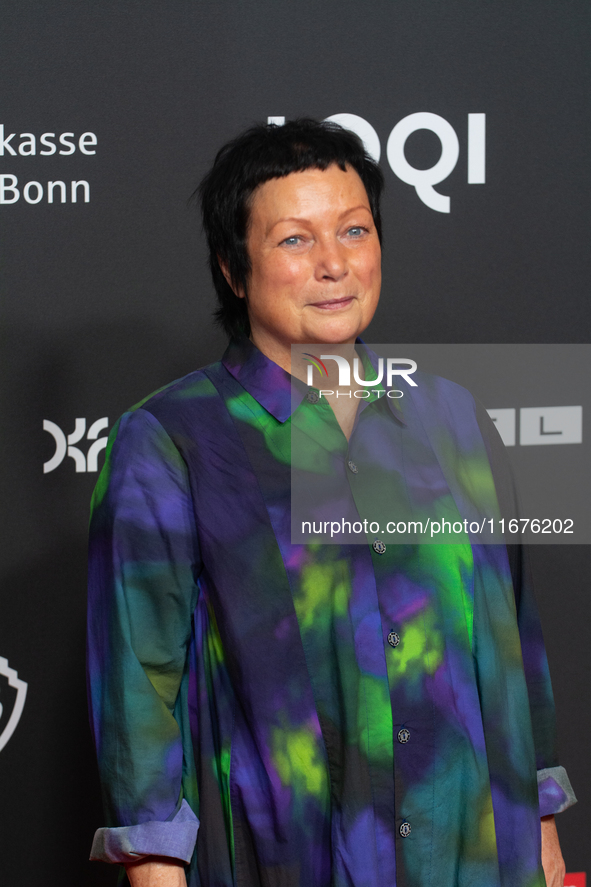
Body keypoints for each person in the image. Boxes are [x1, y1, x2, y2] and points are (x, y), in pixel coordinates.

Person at [87, 119, 576, 887]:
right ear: (232, 268)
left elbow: (515, 642)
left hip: (473, 855)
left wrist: (542, 829)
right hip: (287, 856)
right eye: (293, 240)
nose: (333, 264)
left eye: (354, 230)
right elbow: (141, 684)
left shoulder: (451, 417)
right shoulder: (173, 439)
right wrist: (153, 870)